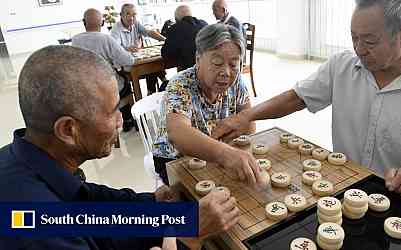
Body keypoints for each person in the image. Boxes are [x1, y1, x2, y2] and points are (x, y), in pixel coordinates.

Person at [0, 45, 240, 250]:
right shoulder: (34, 228)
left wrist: (155, 203)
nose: (120, 121)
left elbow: (89, 206)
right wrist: (188, 234)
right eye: (113, 111)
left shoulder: (29, 160)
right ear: (67, 130)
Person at [213, 0, 401, 201]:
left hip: (394, 197)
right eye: (353, 38)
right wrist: (245, 116)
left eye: (369, 41)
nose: (358, 49)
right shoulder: (342, 65)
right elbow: (295, 98)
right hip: (340, 184)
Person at [152, 23, 261, 186]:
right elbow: (177, 133)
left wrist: (234, 149)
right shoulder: (180, 85)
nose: (226, 72)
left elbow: (249, 123)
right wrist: (226, 153)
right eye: (217, 62)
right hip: (175, 158)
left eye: (233, 64)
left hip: (217, 153)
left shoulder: (237, 82)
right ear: (198, 59)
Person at [72, 8, 136, 132]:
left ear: (83, 22)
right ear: (102, 23)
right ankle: (127, 119)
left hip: (86, 89)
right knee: (125, 83)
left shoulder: (75, 40)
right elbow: (129, 60)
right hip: (107, 87)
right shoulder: (106, 39)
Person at [111, 3, 168, 94]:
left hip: (137, 58)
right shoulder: (115, 29)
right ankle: (160, 84)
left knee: (152, 62)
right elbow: (115, 50)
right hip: (124, 64)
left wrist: (165, 40)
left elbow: (148, 32)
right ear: (121, 15)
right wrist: (127, 49)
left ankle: (153, 90)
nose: (131, 18)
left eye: (134, 14)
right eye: (128, 14)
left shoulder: (136, 23)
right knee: (151, 65)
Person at [161, 5, 208, 71]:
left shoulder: (174, 28)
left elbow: (165, 53)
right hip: (207, 67)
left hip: (189, 71)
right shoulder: (204, 24)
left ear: (176, 19)